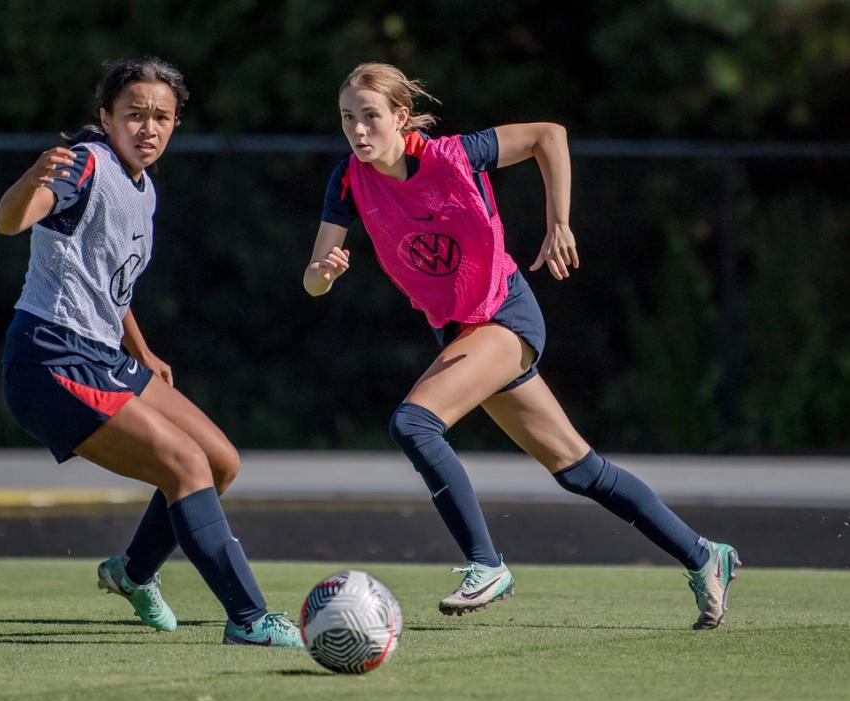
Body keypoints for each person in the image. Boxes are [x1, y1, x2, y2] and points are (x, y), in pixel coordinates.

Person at [303, 62, 741, 630]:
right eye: (347, 119)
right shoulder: (347, 180)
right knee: (579, 469)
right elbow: (312, 279)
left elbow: (548, 136)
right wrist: (325, 272)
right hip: (462, 332)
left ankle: (486, 564)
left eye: (370, 116)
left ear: (401, 117)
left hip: (505, 315)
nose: (358, 130)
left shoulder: (455, 155)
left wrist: (559, 222)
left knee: (413, 424)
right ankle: (705, 555)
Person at [0, 57, 301, 647]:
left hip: (103, 353)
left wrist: (142, 348)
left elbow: (112, 281)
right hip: (49, 360)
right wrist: (31, 179)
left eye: (161, 116)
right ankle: (250, 619)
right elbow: (10, 222)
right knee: (185, 466)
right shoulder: (85, 164)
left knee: (219, 462)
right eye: (133, 114)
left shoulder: (144, 187)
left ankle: (133, 573)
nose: (148, 127)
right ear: (105, 117)